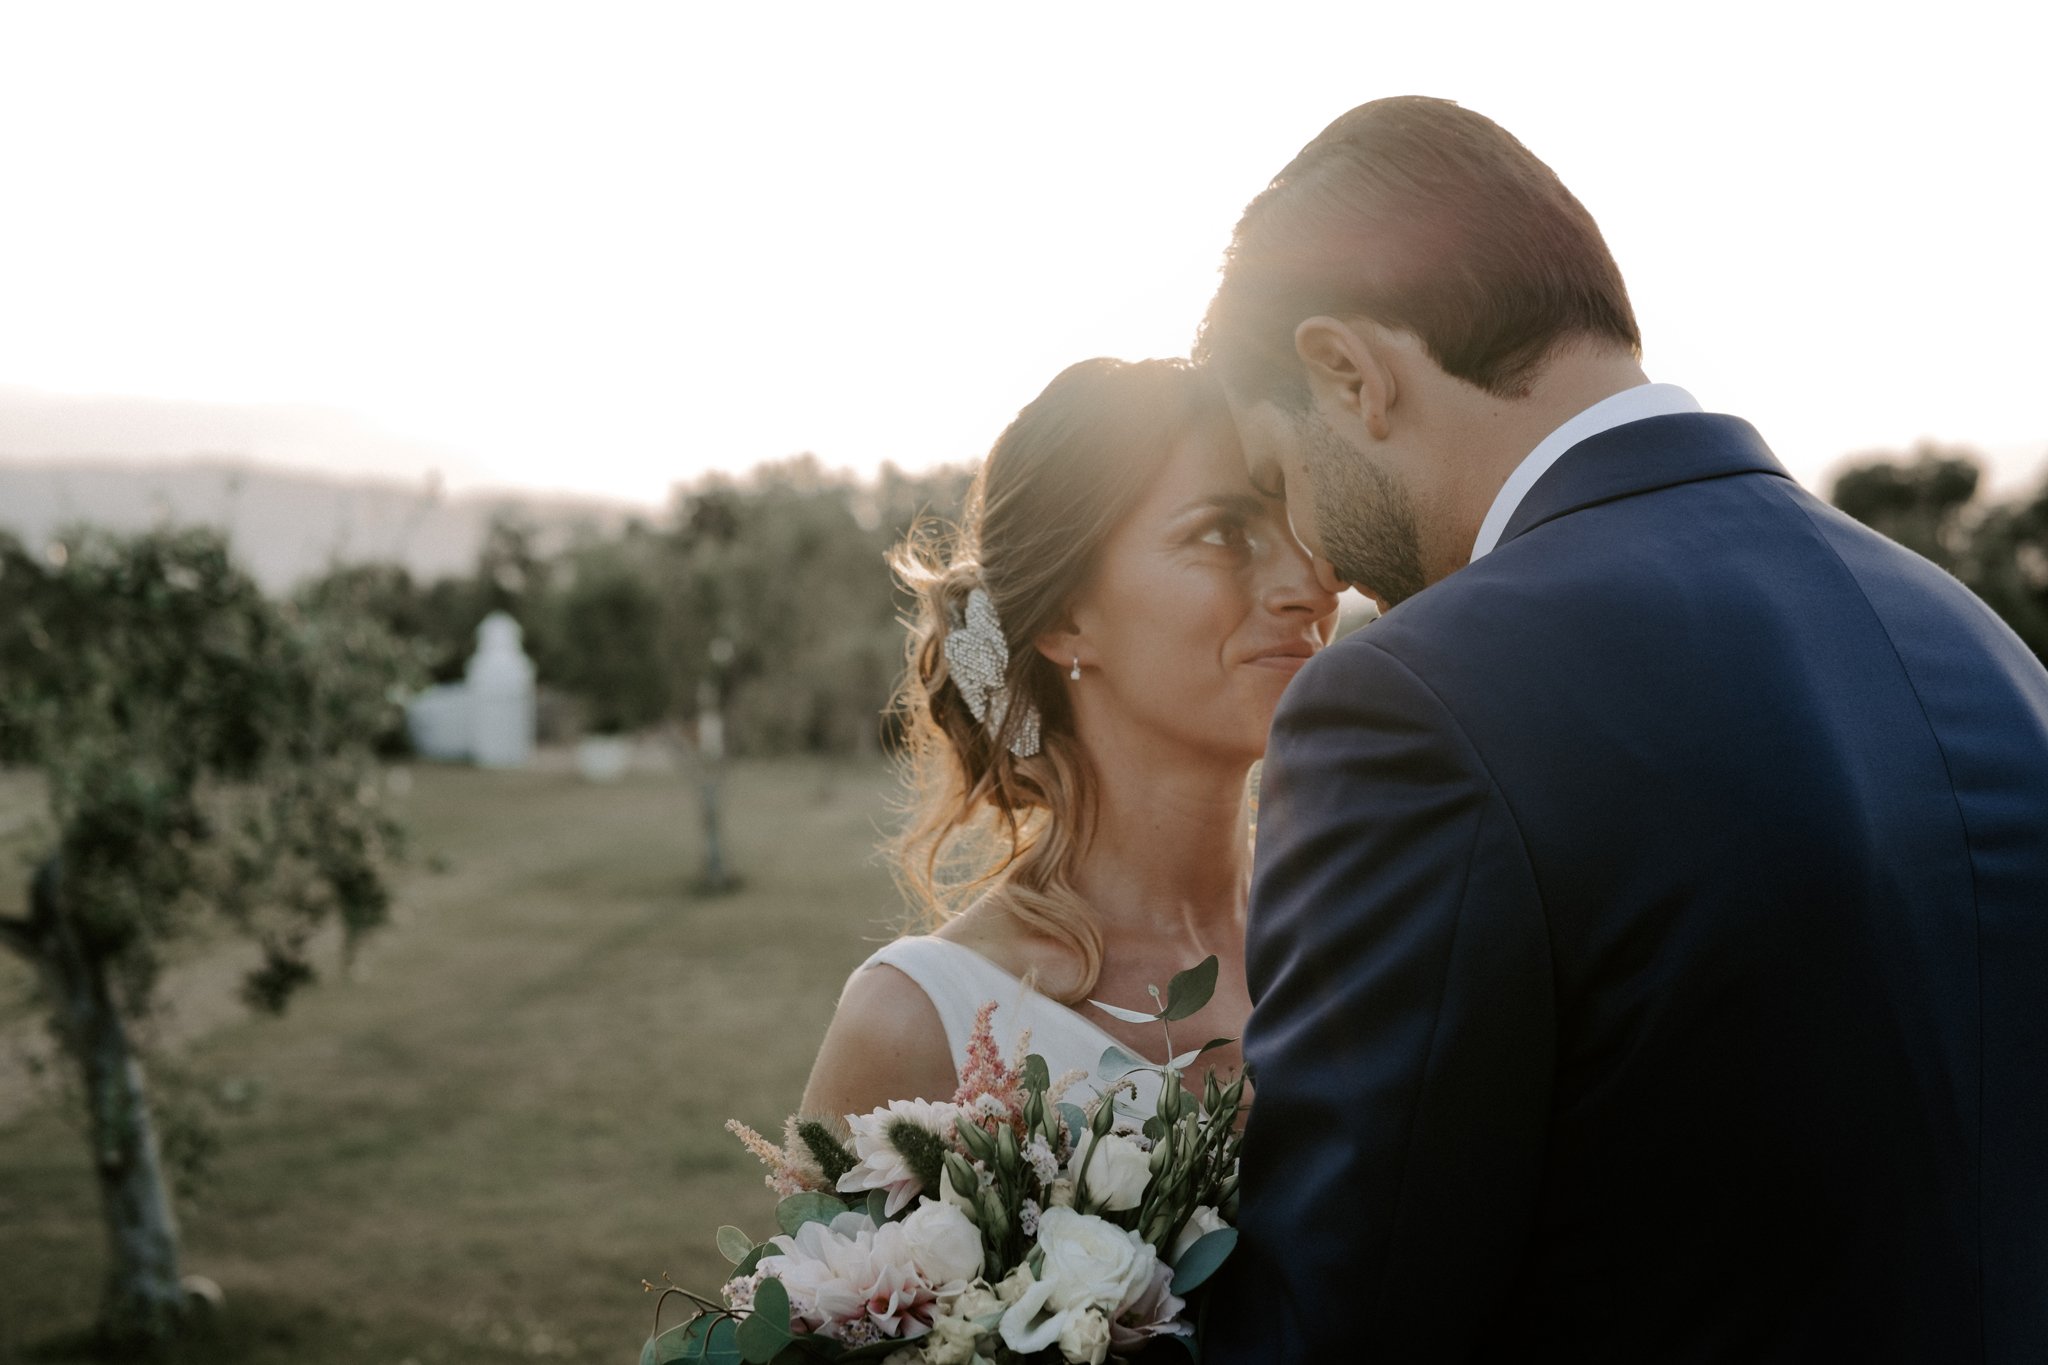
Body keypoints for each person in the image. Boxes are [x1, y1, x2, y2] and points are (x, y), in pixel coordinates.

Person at [1194, 96, 2048, 1362]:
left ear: (1347, 373)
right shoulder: (1978, 647)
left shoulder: (1418, 702)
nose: (1309, 549)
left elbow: (1333, 1319)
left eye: (1280, 475)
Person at [800, 357, 1336, 1121]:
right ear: (1065, 620)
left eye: (1302, 522)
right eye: (1224, 534)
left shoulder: (1368, 933)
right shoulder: (919, 1025)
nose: (1316, 584)